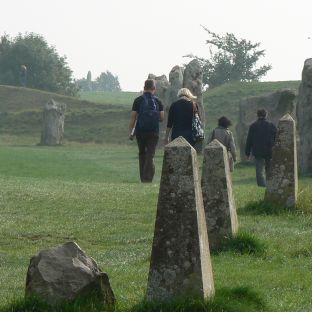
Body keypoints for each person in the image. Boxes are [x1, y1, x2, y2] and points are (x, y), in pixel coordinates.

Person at [129, 79, 164, 183]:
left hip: (140, 131)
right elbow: (162, 118)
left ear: (144, 88)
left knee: (142, 153)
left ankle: (143, 177)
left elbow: (133, 118)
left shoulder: (138, 100)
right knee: (150, 154)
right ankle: (147, 178)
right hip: (154, 132)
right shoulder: (158, 101)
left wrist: (131, 132)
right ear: (154, 89)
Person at [245, 109, 277, 187]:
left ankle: (262, 185)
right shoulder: (271, 125)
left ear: (257, 115)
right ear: (266, 115)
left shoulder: (253, 126)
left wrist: (247, 152)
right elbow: (276, 137)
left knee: (259, 170)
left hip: (257, 151)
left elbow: (249, 140)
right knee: (269, 168)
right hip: (269, 150)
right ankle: (270, 183)